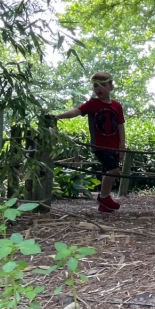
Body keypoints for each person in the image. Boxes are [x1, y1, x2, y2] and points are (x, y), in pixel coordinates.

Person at [55, 71, 126, 213]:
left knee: (108, 173)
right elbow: (76, 111)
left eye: (103, 85)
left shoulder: (117, 106)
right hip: (99, 146)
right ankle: (104, 197)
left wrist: (122, 146)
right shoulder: (92, 104)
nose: (98, 89)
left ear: (111, 87)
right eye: (95, 86)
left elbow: (120, 126)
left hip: (114, 146)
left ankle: (103, 206)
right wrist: (57, 116)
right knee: (114, 170)